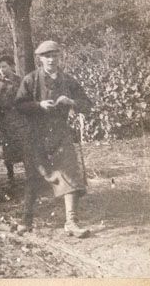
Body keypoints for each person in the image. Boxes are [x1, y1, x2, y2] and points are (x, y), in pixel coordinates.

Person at [15, 40, 92, 238]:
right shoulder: (30, 80)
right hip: (36, 135)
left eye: (54, 55)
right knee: (34, 177)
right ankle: (26, 220)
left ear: (59, 57)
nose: (51, 60)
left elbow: (86, 104)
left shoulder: (68, 81)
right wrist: (39, 105)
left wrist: (72, 102)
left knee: (71, 173)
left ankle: (71, 222)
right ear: (40, 59)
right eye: (46, 56)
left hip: (60, 134)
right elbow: (19, 105)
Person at [0, 55, 29, 182]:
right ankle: (10, 176)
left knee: (24, 146)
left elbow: (27, 98)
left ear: (11, 67)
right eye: (0, 68)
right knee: (8, 147)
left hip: (21, 118)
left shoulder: (20, 80)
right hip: (5, 120)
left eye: (4, 66)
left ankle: (29, 175)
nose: (2, 70)